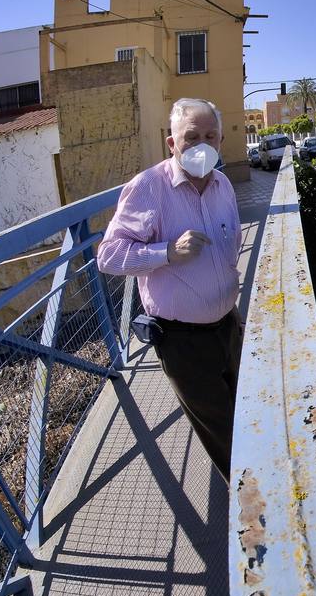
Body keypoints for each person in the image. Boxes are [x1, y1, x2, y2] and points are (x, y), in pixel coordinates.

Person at [97, 98, 242, 479]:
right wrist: (167, 253)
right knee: (226, 436)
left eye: (211, 136)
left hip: (229, 326)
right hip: (183, 342)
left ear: (222, 139)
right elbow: (109, 256)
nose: (202, 145)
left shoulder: (223, 183)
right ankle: (255, 515)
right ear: (171, 143)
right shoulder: (147, 187)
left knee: (246, 412)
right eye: (191, 137)